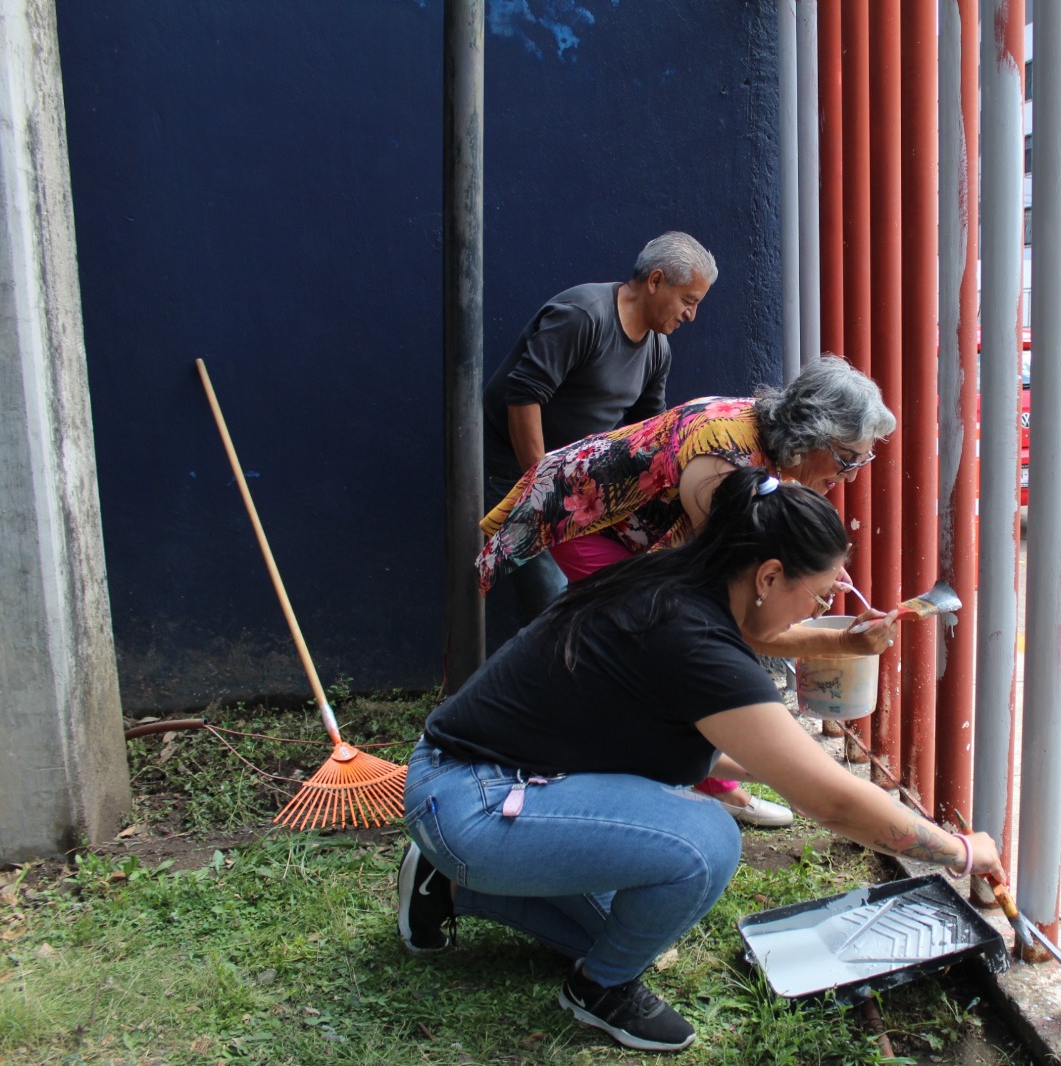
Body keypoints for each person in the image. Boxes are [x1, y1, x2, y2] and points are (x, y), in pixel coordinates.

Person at [400, 468, 1006, 1053]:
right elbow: (833, 802)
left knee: (625, 927)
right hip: (473, 799)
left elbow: (742, 743)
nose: (815, 611)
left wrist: (787, 758)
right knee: (704, 842)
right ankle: (598, 990)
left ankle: (446, 885)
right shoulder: (694, 642)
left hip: (473, 780)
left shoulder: (683, 583)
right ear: (769, 576)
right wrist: (958, 852)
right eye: (818, 596)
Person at [475, 355, 899, 826]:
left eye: (864, 459)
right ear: (811, 432)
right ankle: (638, 782)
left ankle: (696, 778)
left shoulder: (771, 438)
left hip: (636, 532)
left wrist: (812, 573)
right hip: (590, 520)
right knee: (655, 641)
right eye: (846, 459)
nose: (853, 475)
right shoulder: (724, 467)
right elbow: (733, 621)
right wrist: (842, 642)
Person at [483, 231, 718, 623]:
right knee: (553, 604)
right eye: (688, 301)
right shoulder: (583, 315)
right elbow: (523, 395)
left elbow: (648, 434)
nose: (690, 316)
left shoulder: (658, 349)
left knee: (606, 598)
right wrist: (543, 488)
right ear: (656, 281)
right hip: (513, 473)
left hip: (580, 487)